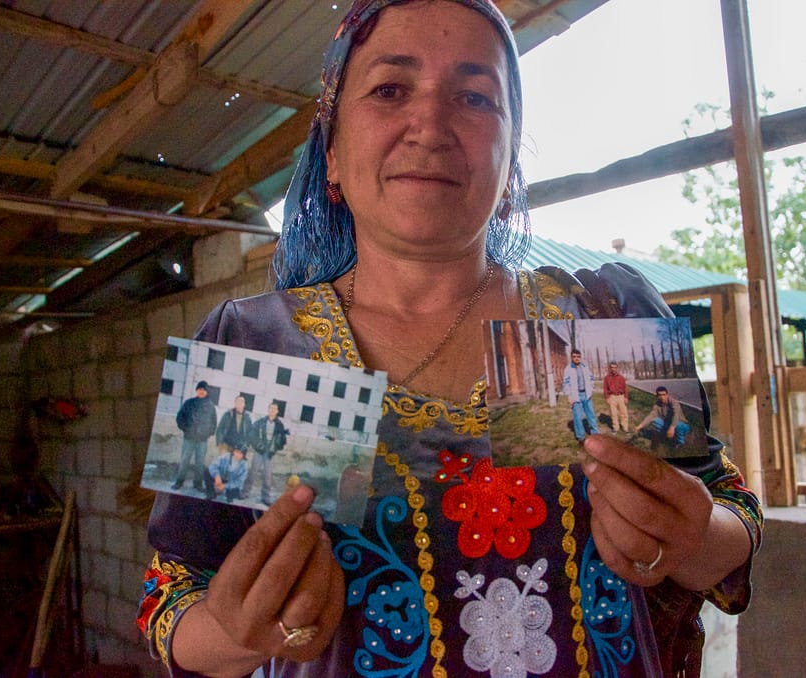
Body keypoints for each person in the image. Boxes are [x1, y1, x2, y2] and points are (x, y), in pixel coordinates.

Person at [138, 1, 762, 677]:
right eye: (389, 90)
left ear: (509, 160)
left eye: (473, 96)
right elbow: (172, 594)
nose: (430, 126)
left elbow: (729, 516)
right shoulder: (263, 351)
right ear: (334, 153)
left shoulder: (594, 320)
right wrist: (238, 631)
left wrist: (693, 537)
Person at [170, 381, 217, 490]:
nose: (201, 391)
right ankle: (179, 482)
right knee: (184, 461)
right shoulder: (189, 403)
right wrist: (186, 429)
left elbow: (214, 423)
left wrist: (208, 433)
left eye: (204, 390)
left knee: (199, 463)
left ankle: (198, 484)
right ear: (196, 390)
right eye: (199, 389)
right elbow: (180, 417)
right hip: (189, 439)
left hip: (202, 441)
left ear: (207, 392)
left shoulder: (210, 406)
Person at [244, 402, 289, 505]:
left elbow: (281, 441)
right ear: (268, 410)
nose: (272, 410)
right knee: (252, 472)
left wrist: (276, 446)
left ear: (277, 411)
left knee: (267, 475)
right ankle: (245, 492)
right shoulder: (260, 422)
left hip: (270, 453)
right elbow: (252, 434)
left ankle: (265, 497)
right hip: (259, 451)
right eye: (271, 408)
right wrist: (258, 445)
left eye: (275, 409)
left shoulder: (279, 425)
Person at [562, 349, 600, 444]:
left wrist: (590, 389)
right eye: (574, 356)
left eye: (578, 356)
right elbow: (566, 383)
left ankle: (595, 434)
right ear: (571, 357)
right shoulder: (568, 369)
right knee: (578, 417)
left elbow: (591, 378)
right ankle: (581, 437)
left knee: (591, 415)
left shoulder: (585, 367)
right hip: (576, 396)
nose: (576, 358)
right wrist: (569, 396)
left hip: (586, 395)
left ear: (580, 357)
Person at [603, 362, 631, 434]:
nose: (613, 369)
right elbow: (605, 389)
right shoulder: (607, 378)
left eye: (615, 367)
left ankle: (625, 427)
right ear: (610, 368)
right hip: (612, 397)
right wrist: (607, 398)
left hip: (621, 396)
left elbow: (625, 388)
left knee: (623, 413)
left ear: (617, 368)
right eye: (612, 367)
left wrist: (626, 397)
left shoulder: (621, 377)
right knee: (613, 413)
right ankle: (615, 428)